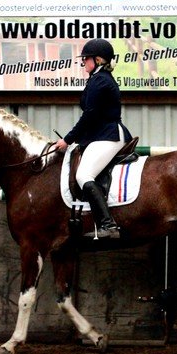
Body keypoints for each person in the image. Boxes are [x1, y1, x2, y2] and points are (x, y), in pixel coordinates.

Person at [53, 38, 132, 239]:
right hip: (101, 134)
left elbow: (89, 115)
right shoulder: (98, 78)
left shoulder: (100, 81)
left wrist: (67, 140)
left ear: (98, 60)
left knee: (83, 175)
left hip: (109, 135)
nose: (83, 62)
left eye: (86, 59)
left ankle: (108, 225)